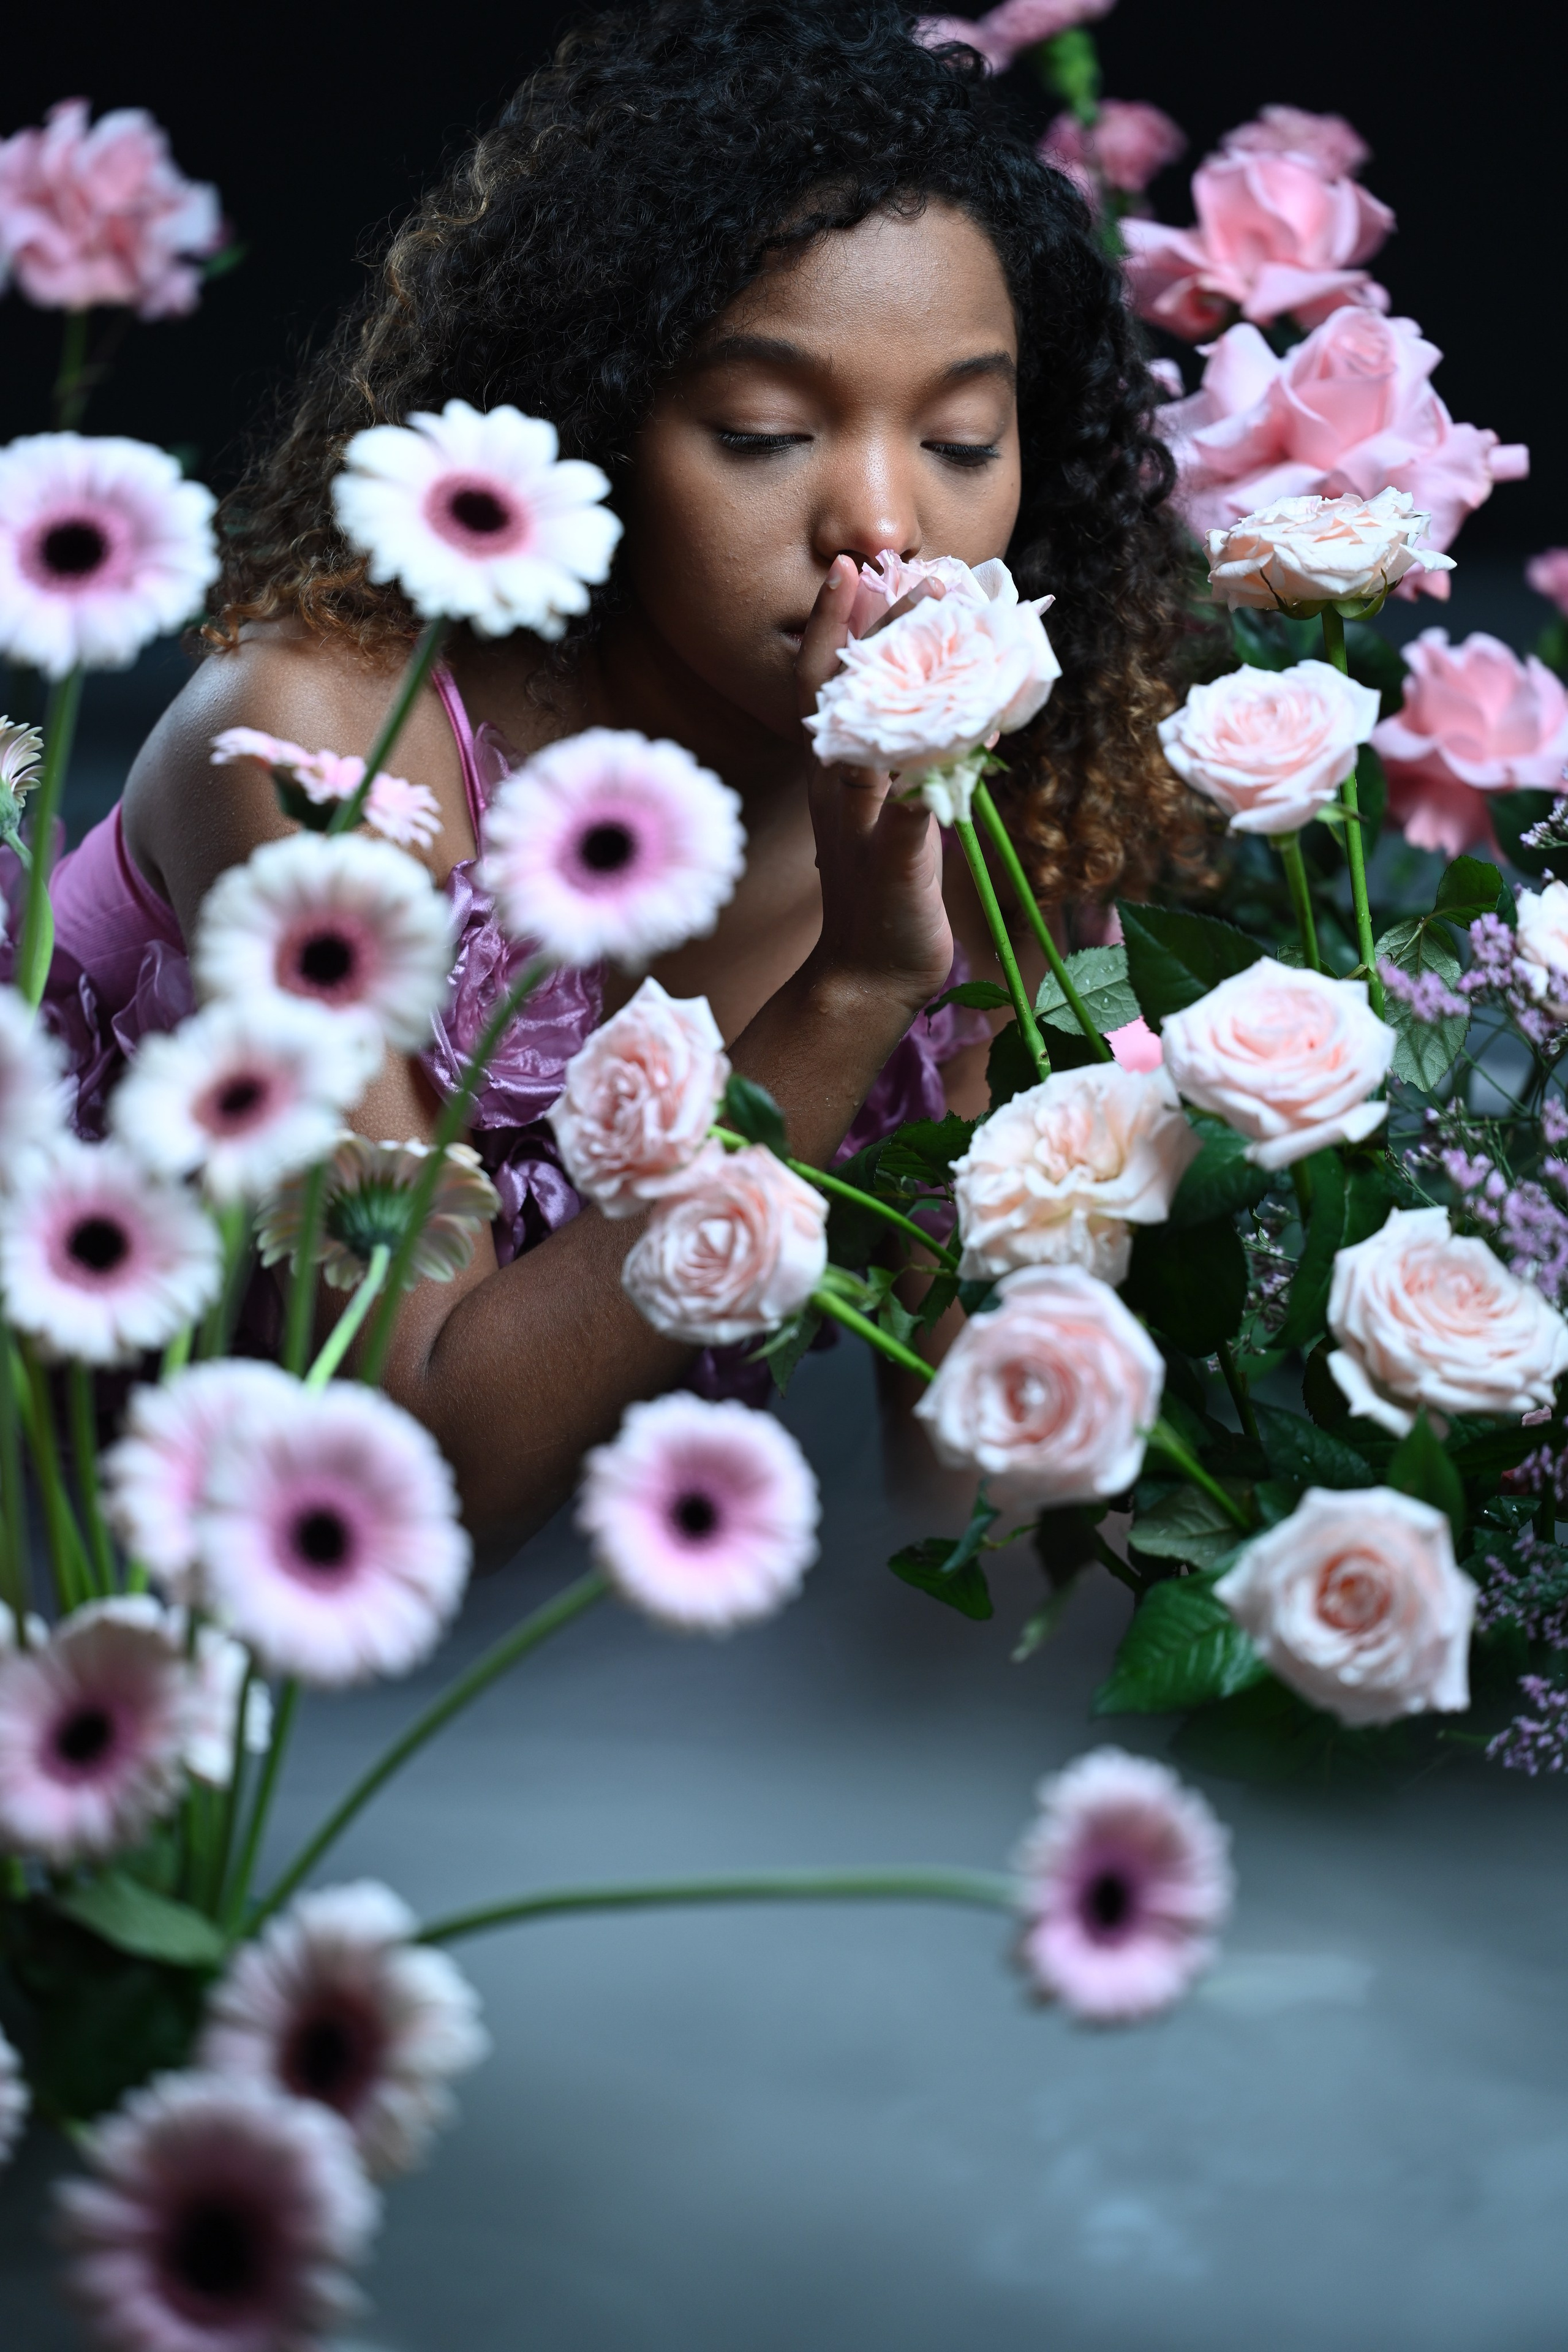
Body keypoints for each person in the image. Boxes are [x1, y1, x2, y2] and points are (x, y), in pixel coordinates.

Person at [40, 0, 1202, 1546]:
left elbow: (972, 1487)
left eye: (962, 441)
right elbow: (418, 1472)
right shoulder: (325, 756)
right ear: (592, 428)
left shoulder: (1000, 824)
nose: (879, 522)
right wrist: (851, 993)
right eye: (766, 430)